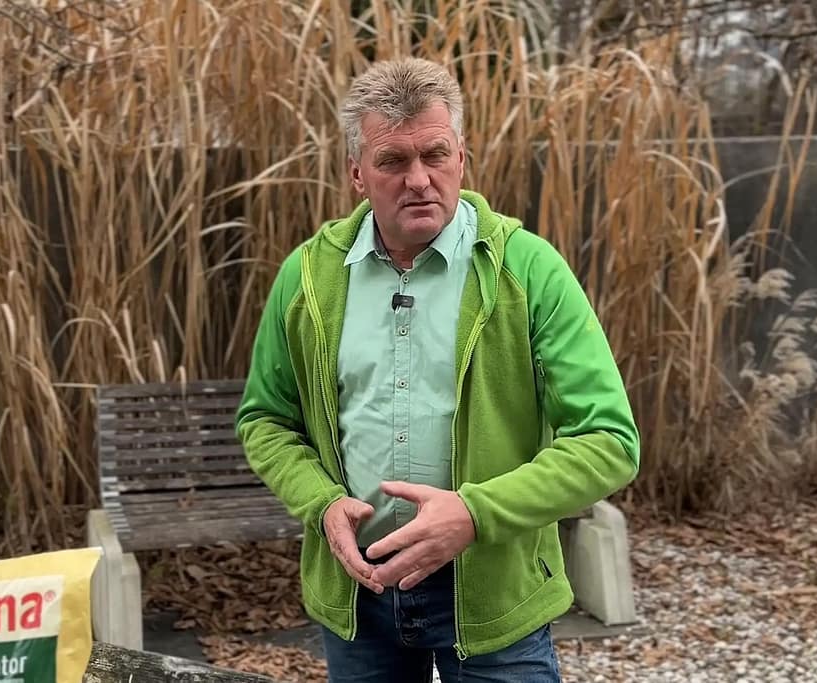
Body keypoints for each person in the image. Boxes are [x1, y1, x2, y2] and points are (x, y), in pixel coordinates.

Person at [235, 57, 640, 683]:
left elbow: (610, 441)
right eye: (393, 161)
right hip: (358, 590)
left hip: (493, 592)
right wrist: (320, 503)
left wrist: (474, 513)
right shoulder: (308, 278)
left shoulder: (527, 270)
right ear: (357, 173)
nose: (418, 179)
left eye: (435, 154)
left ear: (462, 159)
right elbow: (265, 420)